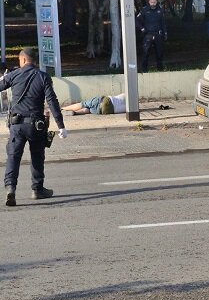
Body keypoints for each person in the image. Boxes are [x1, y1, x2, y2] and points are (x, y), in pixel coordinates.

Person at [0, 48, 68, 206]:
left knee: (13, 157)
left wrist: (3, 78)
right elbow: (52, 101)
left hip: (16, 125)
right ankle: (37, 189)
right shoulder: (43, 76)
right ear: (34, 61)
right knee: (37, 156)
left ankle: (11, 188)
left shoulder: (14, 75)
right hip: (36, 126)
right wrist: (61, 125)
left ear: (23, 60)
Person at [136, 0, 167, 72]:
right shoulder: (144, 10)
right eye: (151, 2)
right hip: (148, 34)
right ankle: (144, 69)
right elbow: (137, 20)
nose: (153, 4)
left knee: (159, 53)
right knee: (145, 52)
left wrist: (165, 33)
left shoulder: (160, 10)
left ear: (156, 2)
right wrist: (142, 28)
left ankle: (160, 69)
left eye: (154, 2)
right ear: (149, 2)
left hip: (158, 34)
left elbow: (163, 23)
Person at [61, 93, 126, 116]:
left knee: (83, 104)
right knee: (88, 110)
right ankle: (75, 113)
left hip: (104, 100)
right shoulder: (128, 108)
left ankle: (62, 109)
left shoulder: (125, 95)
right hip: (104, 110)